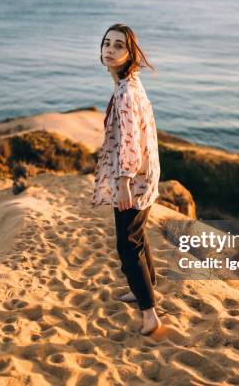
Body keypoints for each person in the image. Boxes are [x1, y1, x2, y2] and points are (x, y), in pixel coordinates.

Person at [92, 23, 162, 336]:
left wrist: (123, 183)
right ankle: (146, 288)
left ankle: (149, 316)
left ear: (129, 52)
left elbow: (130, 140)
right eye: (107, 43)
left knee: (127, 244)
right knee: (138, 234)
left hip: (133, 179)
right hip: (145, 174)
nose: (110, 49)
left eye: (118, 45)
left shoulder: (125, 92)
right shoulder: (131, 82)